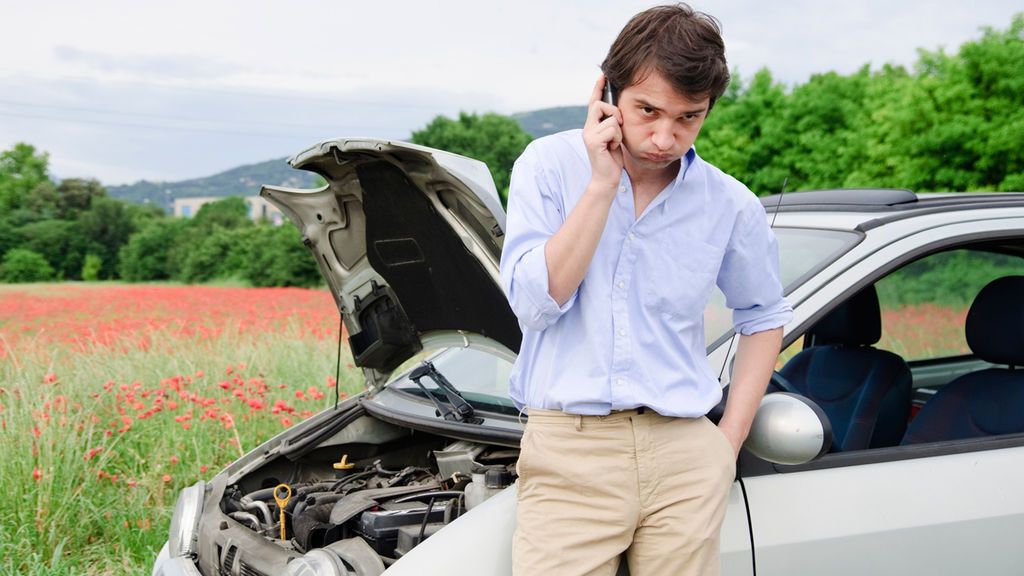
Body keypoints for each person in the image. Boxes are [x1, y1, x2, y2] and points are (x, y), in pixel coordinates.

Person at [498, 4, 793, 575]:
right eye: (648, 110)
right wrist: (601, 185)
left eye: (689, 117)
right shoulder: (548, 167)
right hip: (571, 452)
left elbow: (763, 316)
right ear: (607, 93)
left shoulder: (730, 203)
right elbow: (535, 305)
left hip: (685, 452)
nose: (665, 136)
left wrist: (723, 446)